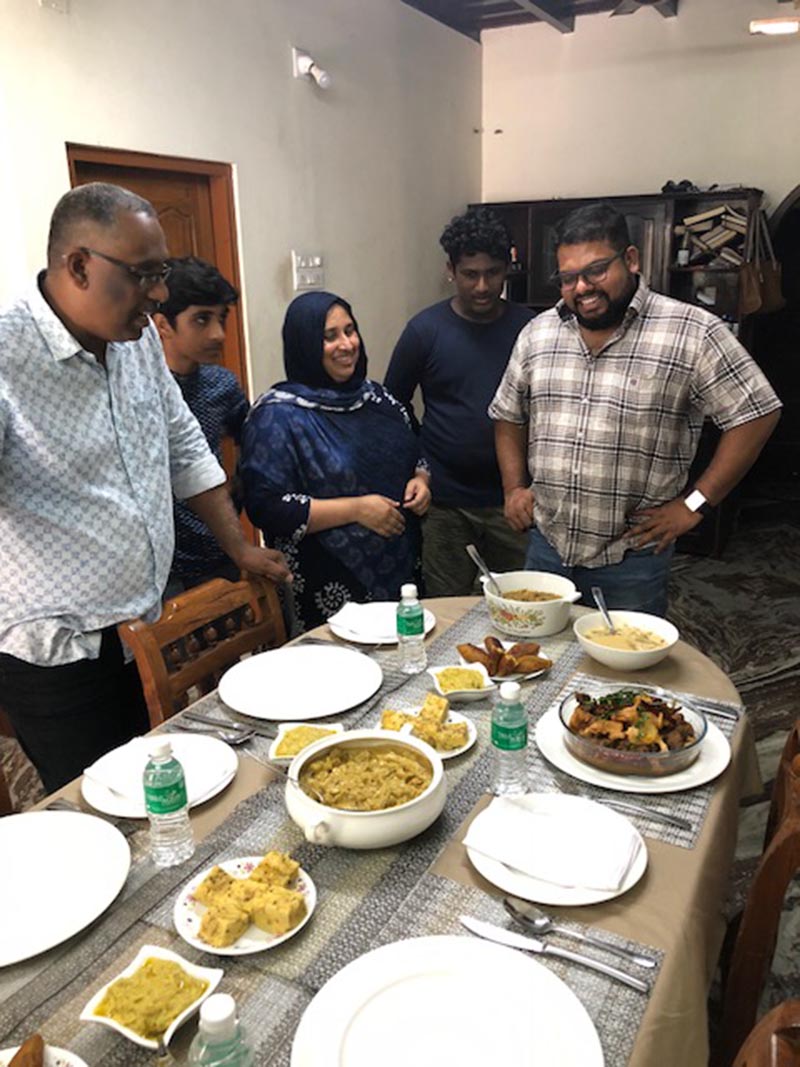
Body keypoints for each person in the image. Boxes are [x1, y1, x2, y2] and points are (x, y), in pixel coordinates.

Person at [0, 182, 290, 792]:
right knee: (96, 806)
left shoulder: (134, 345)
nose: (158, 294)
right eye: (143, 274)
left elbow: (184, 446)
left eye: (160, 273)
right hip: (59, 652)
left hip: (147, 626)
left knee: (159, 786)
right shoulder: (7, 352)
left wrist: (237, 546)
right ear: (78, 266)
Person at [490, 202, 781, 616]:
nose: (582, 287)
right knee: (541, 663)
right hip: (547, 546)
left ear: (631, 260)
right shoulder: (538, 334)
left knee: (623, 671)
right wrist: (512, 487)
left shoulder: (690, 331)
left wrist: (694, 504)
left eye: (595, 270)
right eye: (568, 277)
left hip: (632, 558)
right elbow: (507, 413)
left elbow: (757, 412)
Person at [240, 290, 431, 632]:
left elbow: (416, 447)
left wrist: (421, 479)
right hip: (325, 584)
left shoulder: (378, 398)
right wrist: (357, 509)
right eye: (329, 336)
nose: (346, 344)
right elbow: (266, 507)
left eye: (350, 330)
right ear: (304, 344)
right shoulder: (277, 416)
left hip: (400, 575)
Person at [385, 206, 535, 596]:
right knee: (444, 607)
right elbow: (392, 407)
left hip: (514, 501)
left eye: (493, 273)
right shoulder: (424, 331)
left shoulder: (531, 330)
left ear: (507, 268)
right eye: (470, 274)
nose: (482, 286)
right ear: (450, 270)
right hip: (445, 504)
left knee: (522, 605)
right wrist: (419, 465)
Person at [153, 256, 249, 593]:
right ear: (163, 325)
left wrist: (236, 488)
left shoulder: (221, 385)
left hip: (218, 547)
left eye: (221, 319)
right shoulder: (141, 390)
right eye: (201, 320)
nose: (218, 334)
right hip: (162, 566)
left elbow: (251, 441)